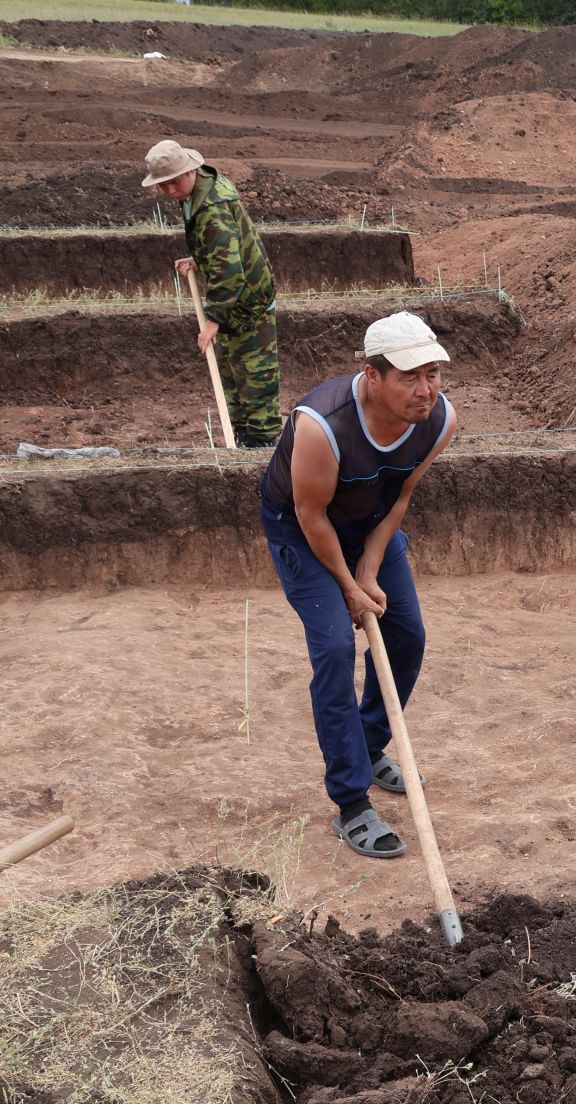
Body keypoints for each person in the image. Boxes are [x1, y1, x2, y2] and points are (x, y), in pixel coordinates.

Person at [261, 313, 460, 857]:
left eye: (433, 374)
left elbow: (400, 498)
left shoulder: (439, 421)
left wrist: (370, 567)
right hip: (304, 532)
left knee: (406, 636)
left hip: (370, 523)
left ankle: (369, 746)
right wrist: (348, 586)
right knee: (334, 648)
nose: (425, 390)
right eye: (409, 377)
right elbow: (310, 514)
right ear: (372, 376)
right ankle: (351, 802)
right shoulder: (321, 425)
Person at [140, 139, 281, 447]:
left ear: (189, 171)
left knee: (255, 374)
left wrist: (214, 320)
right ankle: (243, 437)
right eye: (163, 186)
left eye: (173, 182)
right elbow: (226, 247)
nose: (169, 191)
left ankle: (264, 444)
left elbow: (230, 272)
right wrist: (200, 258)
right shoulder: (198, 188)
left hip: (247, 299)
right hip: (236, 297)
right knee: (231, 370)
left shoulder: (211, 209)